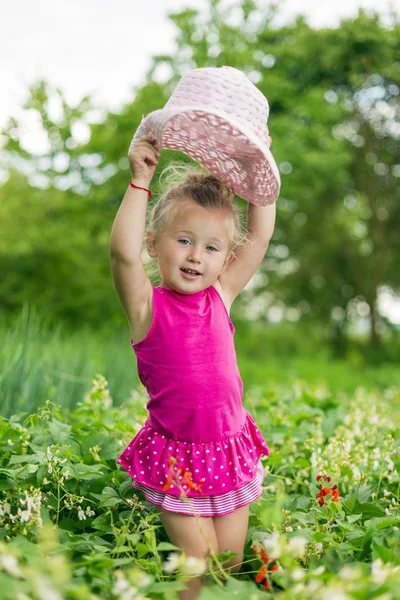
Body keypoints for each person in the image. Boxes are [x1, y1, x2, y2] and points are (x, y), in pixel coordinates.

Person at [110, 134, 276, 600]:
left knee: (230, 562)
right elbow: (122, 255)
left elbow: (260, 234)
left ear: (226, 256)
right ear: (154, 242)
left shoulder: (220, 296)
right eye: (183, 241)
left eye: (210, 248)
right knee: (197, 565)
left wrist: (259, 168)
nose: (195, 256)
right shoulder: (146, 306)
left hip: (228, 447)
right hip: (178, 458)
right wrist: (140, 180)